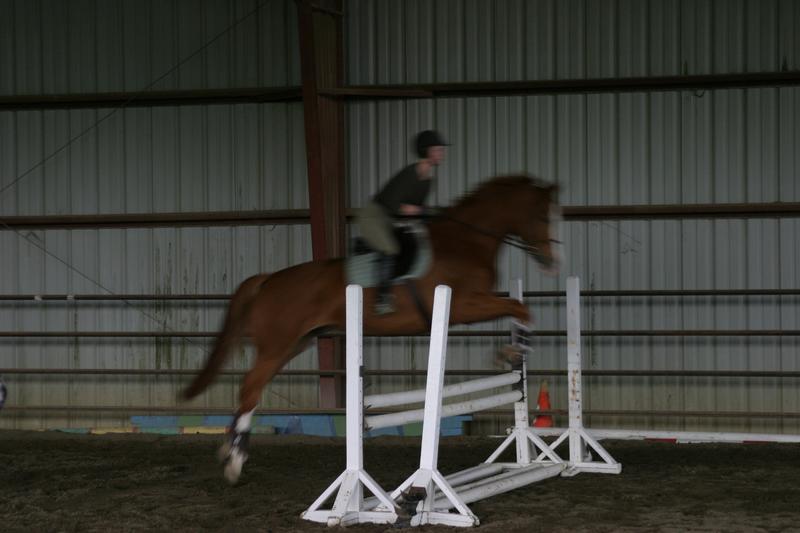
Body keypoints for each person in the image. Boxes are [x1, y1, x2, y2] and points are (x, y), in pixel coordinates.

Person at [357, 130, 448, 314]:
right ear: (427, 151)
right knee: (391, 249)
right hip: (375, 216)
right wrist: (415, 210)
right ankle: (381, 299)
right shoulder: (410, 173)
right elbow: (394, 205)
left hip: (392, 220)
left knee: (414, 245)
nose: (442, 153)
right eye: (438, 150)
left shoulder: (429, 180)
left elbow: (416, 210)